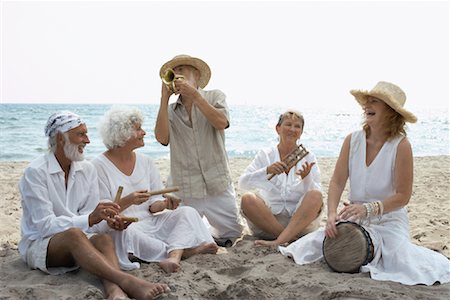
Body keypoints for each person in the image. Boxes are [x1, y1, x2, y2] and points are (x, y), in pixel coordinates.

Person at [279, 81, 450, 285]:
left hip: (389, 220)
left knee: (402, 261)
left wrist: (368, 209)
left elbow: (403, 196)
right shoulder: (352, 140)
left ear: (391, 111)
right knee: (312, 245)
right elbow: (336, 182)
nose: (367, 105)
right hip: (354, 217)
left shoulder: (401, 146)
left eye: (374, 101)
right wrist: (332, 215)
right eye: (367, 101)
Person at [19, 111, 169, 300]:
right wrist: (90, 218)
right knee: (75, 234)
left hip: (79, 242)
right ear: (60, 138)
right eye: (80, 134)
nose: (88, 140)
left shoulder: (87, 169)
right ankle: (126, 281)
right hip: (41, 244)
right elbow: (45, 226)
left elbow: (93, 222)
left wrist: (110, 222)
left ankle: (114, 289)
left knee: (103, 239)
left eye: (87, 133)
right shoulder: (35, 172)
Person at [93, 106, 218, 273]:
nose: (144, 132)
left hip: (151, 222)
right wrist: (129, 200)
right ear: (122, 135)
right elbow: (103, 214)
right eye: (138, 129)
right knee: (126, 234)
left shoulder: (146, 162)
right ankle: (184, 252)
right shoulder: (98, 166)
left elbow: (153, 206)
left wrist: (165, 204)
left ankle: (173, 256)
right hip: (126, 225)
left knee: (187, 212)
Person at [154, 54, 243, 246]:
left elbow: (221, 122)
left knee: (232, 234)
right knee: (187, 238)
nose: (177, 74)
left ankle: (205, 230)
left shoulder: (215, 96)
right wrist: (163, 99)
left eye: (182, 70)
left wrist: (195, 95)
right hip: (187, 187)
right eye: (174, 71)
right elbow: (162, 139)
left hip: (217, 184)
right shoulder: (170, 110)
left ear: (195, 74)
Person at [238, 110, 323, 247]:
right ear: (278, 128)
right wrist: (266, 171)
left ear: (301, 132)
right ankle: (288, 239)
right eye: (288, 124)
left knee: (315, 195)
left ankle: (281, 240)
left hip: (299, 224)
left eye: (297, 126)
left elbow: (315, 199)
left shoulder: (308, 157)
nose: (292, 129)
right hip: (268, 224)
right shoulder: (265, 155)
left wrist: (306, 178)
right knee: (247, 198)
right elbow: (242, 183)